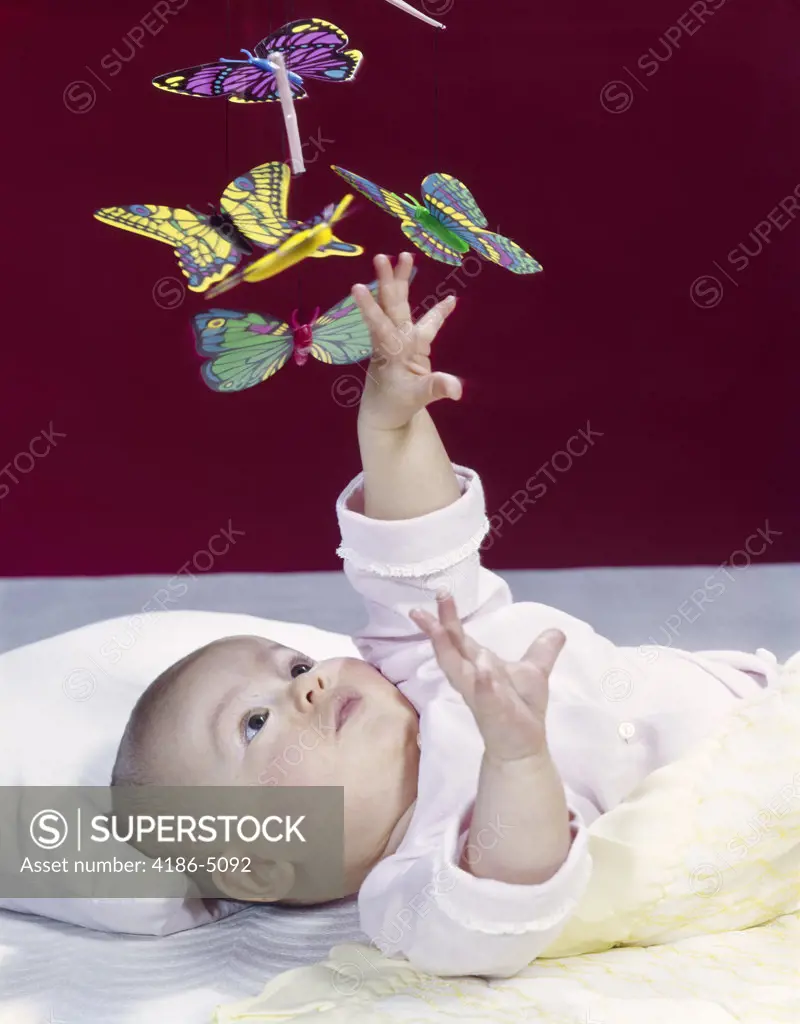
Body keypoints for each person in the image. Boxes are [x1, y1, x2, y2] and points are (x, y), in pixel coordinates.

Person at [111, 252, 781, 978]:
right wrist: (515, 757)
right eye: (254, 723)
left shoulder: (421, 653)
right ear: (260, 865)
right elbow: (504, 904)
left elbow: (417, 542)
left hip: (766, 700)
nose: (304, 686)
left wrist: (391, 422)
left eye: (295, 665)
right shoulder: (412, 888)